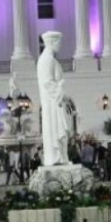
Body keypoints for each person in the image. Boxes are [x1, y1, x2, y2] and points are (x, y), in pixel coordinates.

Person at [37, 31, 70, 166]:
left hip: (56, 102)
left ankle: (61, 157)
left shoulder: (50, 59)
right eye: (58, 42)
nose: (60, 45)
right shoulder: (47, 60)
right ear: (51, 42)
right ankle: (56, 157)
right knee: (57, 131)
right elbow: (47, 82)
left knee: (60, 133)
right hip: (53, 103)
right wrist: (61, 93)